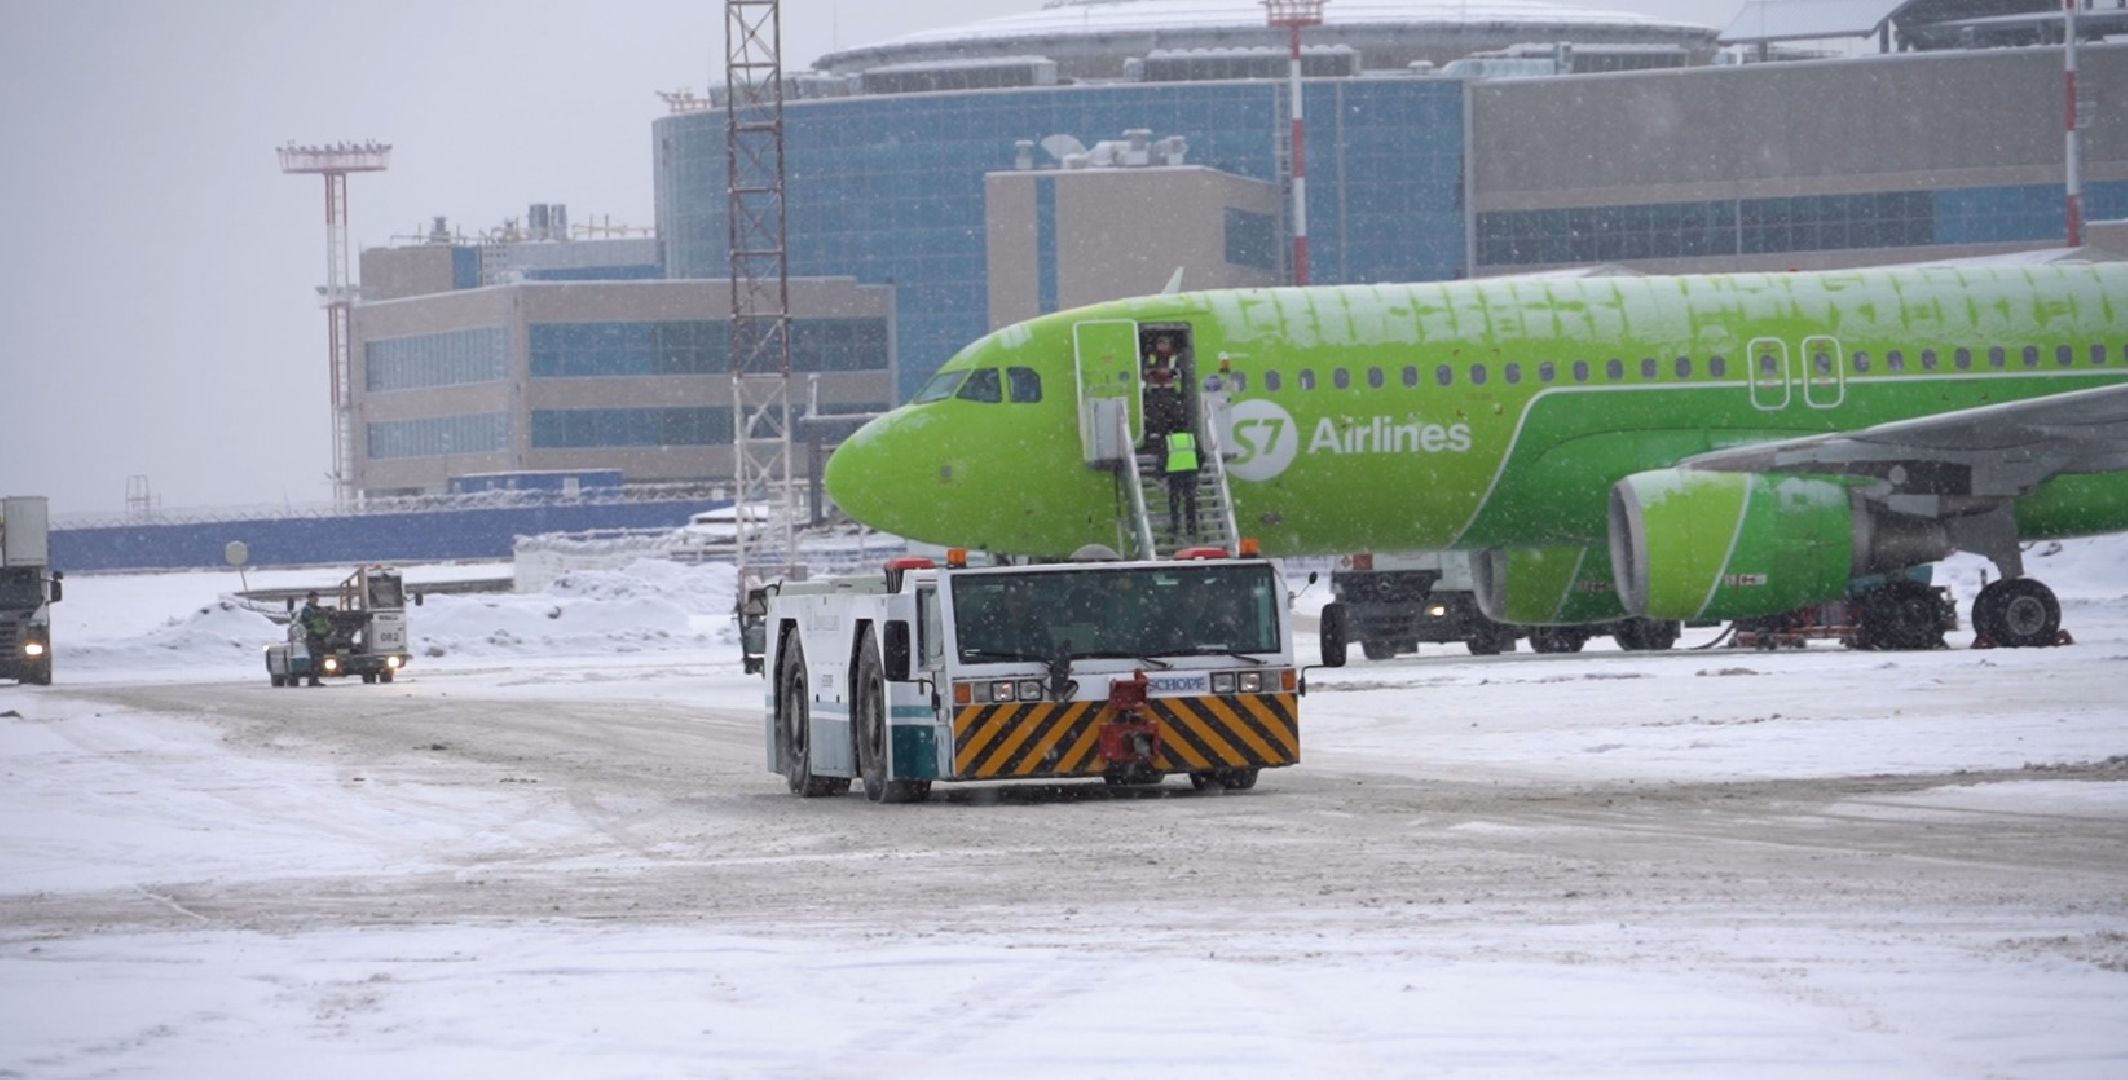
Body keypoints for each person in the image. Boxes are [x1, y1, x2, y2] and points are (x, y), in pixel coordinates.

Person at [1141, 333, 1185, 446]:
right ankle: (1157, 438)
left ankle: (1175, 437)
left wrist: (1169, 372)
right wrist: (1156, 371)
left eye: (1164, 343)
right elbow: (1144, 372)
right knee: (1155, 416)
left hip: (1171, 390)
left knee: (1174, 415)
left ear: (1170, 344)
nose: (1162, 345)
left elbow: (1181, 373)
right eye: (1159, 343)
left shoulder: (1175, 357)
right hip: (1155, 390)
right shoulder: (1151, 357)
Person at [1165, 429, 1200, 540]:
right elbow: (1201, 455)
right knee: (1190, 500)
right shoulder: (1191, 438)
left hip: (1175, 474)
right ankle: (1191, 528)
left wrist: (1160, 473)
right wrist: (1196, 468)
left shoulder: (1169, 440)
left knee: (1174, 501)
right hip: (1190, 473)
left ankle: (1175, 526)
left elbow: (1163, 457)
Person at [296, 591, 332, 687]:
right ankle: (313, 680)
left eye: (317, 598)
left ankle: (315, 679)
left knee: (319, 659)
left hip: (319, 636)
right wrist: (318, 615)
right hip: (312, 636)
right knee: (315, 659)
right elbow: (308, 621)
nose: (316, 600)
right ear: (309, 598)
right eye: (314, 598)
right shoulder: (307, 610)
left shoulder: (318, 609)